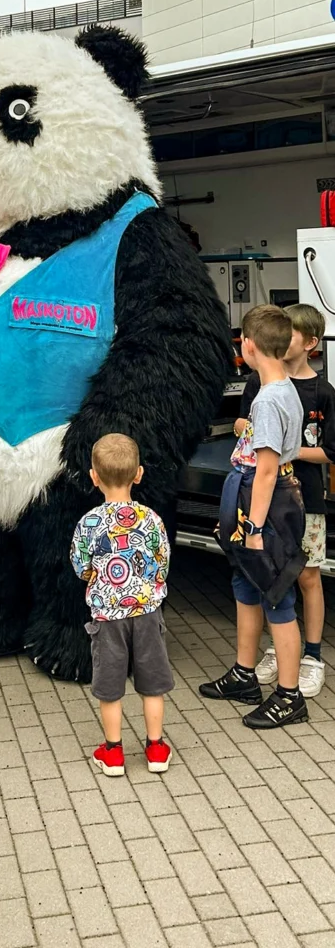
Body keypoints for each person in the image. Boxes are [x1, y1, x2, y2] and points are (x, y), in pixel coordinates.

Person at [200, 304, 307, 728]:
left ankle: (289, 696)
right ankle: (245, 675)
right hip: (252, 501)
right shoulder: (281, 389)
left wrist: (254, 528)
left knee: (277, 595)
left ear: (248, 346)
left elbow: (265, 471)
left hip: (266, 507)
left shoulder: (268, 400)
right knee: (245, 585)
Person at [236, 304, 335, 698]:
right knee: (276, 579)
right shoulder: (261, 384)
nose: (282, 337)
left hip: (305, 499)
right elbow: (242, 423)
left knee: (308, 576)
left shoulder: (322, 392)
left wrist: (283, 450)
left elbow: (330, 451)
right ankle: (280, 651)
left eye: (290, 331)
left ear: (310, 342)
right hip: (272, 501)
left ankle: (312, 655)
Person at [70, 434, 173, 777]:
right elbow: (162, 563)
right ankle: (156, 747)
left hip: (107, 616)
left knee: (110, 686)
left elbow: (80, 566)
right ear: (139, 474)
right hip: (147, 613)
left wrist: (97, 578)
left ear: (94, 477)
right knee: (152, 682)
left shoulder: (88, 523)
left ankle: (113, 751)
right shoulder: (152, 520)